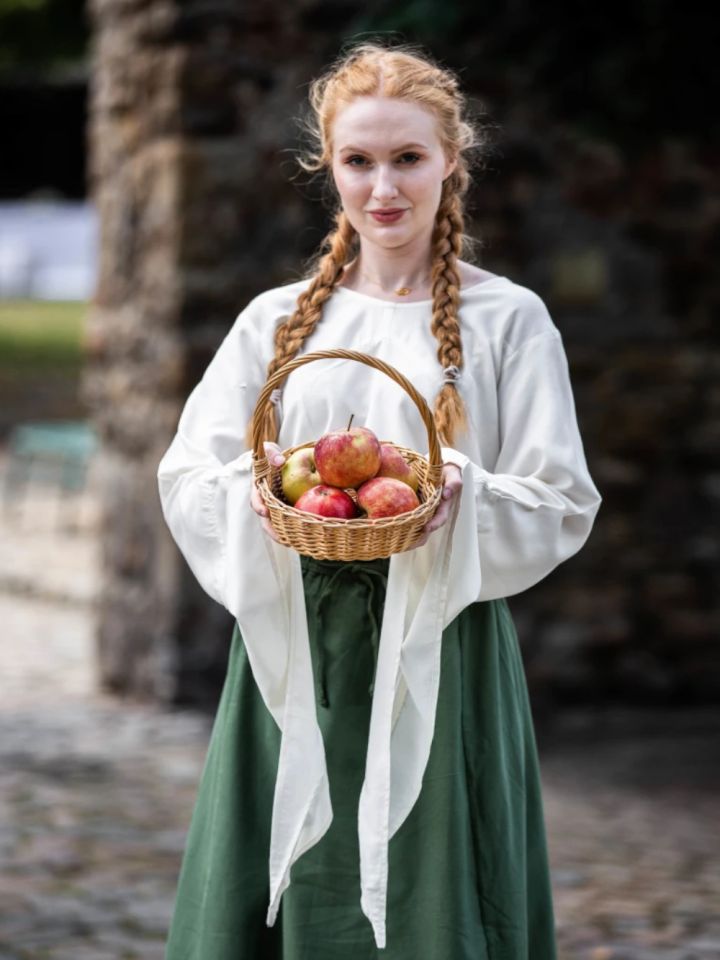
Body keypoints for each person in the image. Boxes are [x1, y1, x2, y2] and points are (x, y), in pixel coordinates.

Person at [157, 40, 602, 959]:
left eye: (408, 158)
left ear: (451, 163)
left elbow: (560, 499)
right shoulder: (278, 322)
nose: (384, 187)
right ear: (330, 169)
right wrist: (254, 485)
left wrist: (459, 497)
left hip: (444, 641)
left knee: (431, 902)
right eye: (359, 161)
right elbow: (189, 472)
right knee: (291, 885)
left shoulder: (508, 319)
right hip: (296, 644)